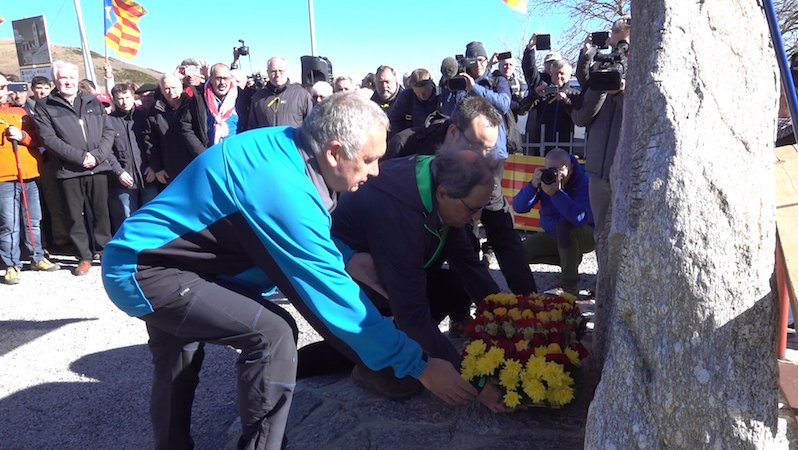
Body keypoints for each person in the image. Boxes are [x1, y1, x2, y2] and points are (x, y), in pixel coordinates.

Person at [101, 93, 477, 450]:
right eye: (369, 159)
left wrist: (345, 255)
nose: (376, 172)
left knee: (177, 357)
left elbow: (282, 228)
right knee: (273, 333)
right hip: (148, 270)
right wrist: (420, 364)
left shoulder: (288, 147)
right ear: (333, 152)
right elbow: (335, 300)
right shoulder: (280, 186)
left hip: (161, 258)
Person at [328, 151, 505, 406]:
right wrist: (475, 382)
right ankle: (372, 364)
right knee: (406, 379)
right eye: (473, 209)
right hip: (354, 281)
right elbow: (411, 313)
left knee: (453, 285)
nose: (477, 218)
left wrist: (507, 315)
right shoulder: (397, 211)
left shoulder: (436, 181)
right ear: (443, 193)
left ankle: (398, 342)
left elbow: (469, 265)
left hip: (395, 270)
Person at [450, 40, 539, 298]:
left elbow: (502, 104)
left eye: (480, 60)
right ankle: (471, 302)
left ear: (486, 60)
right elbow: (449, 113)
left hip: (490, 160)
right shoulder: (458, 82)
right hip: (460, 163)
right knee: (462, 230)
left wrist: (474, 87)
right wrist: (457, 86)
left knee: (501, 226)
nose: (476, 65)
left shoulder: (497, 80)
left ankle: (526, 294)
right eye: (471, 61)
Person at [34, 60, 115, 276]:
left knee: (101, 213)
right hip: (69, 170)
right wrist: (80, 157)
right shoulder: (45, 106)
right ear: (55, 81)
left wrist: (96, 156)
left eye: (71, 77)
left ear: (76, 79)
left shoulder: (92, 101)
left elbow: (108, 131)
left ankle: (104, 251)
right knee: (74, 215)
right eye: (63, 78)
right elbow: (48, 139)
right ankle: (84, 256)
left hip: (97, 167)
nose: (68, 82)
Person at [571, 15, 630, 247]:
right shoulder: (602, 73)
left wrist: (622, 93)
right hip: (597, 171)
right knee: (601, 235)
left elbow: (639, 120)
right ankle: (602, 283)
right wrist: (598, 80)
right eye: (615, 46)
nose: (619, 53)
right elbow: (583, 117)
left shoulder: (644, 76)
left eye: (624, 47)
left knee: (624, 238)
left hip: (624, 172)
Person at [0, 75, 60, 284]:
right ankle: (11, 264)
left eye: (4, 86)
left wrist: (22, 137)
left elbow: (38, 137)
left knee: (33, 219)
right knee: (9, 224)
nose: (3, 90)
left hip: (29, 174)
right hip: (4, 177)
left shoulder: (21, 112)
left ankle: (37, 257)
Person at [512, 148, 594, 294]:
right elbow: (518, 207)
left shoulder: (584, 182)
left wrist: (556, 194)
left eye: (560, 170)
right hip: (555, 233)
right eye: (550, 170)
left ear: (571, 167)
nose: (556, 175)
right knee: (518, 254)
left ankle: (569, 285)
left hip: (586, 234)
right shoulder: (545, 180)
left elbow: (580, 218)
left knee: (565, 226)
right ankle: (570, 259)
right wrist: (532, 186)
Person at [106, 82, 159, 232]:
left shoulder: (144, 116)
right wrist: (119, 172)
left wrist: (154, 166)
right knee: (126, 218)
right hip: (124, 178)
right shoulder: (108, 121)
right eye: (120, 99)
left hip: (148, 176)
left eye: (127, 97)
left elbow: (155, 143)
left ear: (132, 96)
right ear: (114, 100)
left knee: (152, 215)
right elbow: (107, 151)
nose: (124, 102)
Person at [179, 63, 243, 156]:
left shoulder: (241, 97)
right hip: (206, 155)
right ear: (211, 79)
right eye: (218, 78)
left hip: (234, 154)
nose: (222, 83)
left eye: (225, 78)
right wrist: (202, 153)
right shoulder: (198, 97)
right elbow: (186, 126)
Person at [142, 73, 191, 184]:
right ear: (161, 90)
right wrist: (157, 168)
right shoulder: (153, 111)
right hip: (170, 168)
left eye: (173, 87)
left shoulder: (191, 105)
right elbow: (150, 142)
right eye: (167, 88)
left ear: (181, 87)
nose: (171, 91)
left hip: (194, 162)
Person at [523, 58, 581, 153]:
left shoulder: (574, 94)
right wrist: (535, 95)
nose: (558, 76)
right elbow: (523, 109)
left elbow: (579, 117)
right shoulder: (544, 92)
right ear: (550, 74)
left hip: (563, 146)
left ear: (569, 75)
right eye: (555, 73)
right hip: (541, 145)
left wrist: (566, 101)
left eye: (562, 73)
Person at [246, 56, 313, 129]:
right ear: (267, 72)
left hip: (292, 140)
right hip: (266, 140)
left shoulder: (301, 95)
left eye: (281, 71)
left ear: (287, 71)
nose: (277, 75)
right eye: (273, 71)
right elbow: (252, 127)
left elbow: (311, 125)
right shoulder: (258, 98)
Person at [386, 68, 439, 137]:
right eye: (418, 93)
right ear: (412, 88)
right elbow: (395, 120)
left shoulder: (441, 96)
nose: (422, 96)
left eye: (425, 92)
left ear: (431, 85)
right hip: (413, 138)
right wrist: (404, 137)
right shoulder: (406, 97)